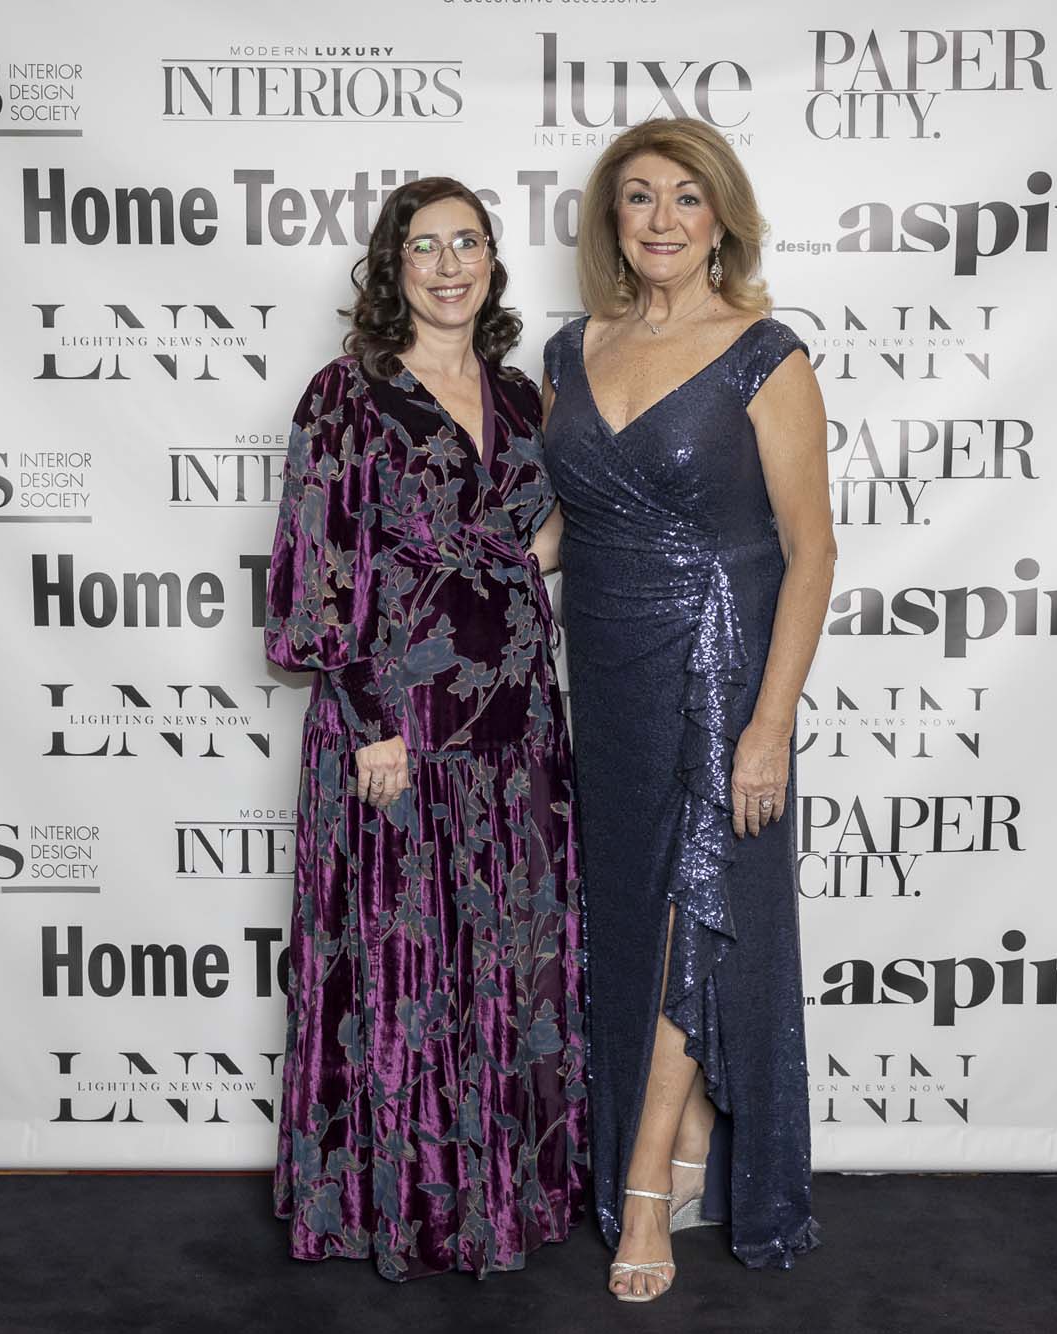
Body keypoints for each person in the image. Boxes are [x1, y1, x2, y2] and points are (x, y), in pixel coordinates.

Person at [265, 177, 586, 1281]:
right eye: (425, 247)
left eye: (468, 243)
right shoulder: (346, 395)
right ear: (391, 267)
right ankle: (400, 1205)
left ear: (493, 259)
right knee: (406, 971)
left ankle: (501, 1194)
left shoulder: (522, 396)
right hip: (398, 731)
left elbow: (537, 535)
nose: (450, 266)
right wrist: (370, 721)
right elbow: (318, 570)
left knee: (507, 964)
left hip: (517, 727)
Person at [538, 118, 836, 1301]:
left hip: (717, 668)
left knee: (687, 904)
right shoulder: (572, 349)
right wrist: (438, 579)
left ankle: (646, 1188)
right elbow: (561, 527)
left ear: (721, 220)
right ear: (610, 220)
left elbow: (810, 552)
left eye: (684, 198)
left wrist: (769, 725)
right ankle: (688, 1131)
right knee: (628, 914)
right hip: (605, 674)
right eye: (637, 197)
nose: (659, 219)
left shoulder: (765, 355)